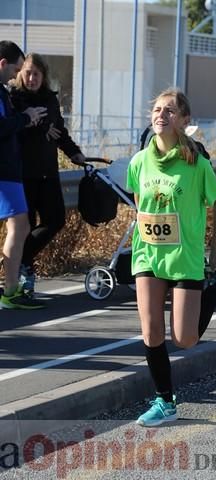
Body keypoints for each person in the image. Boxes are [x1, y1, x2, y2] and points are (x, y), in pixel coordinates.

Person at [127, 88, 216, 427]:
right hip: (149, 256)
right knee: (151, 331)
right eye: (157, 109)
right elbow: (140, 202)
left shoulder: (195, 163)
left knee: (184, 339)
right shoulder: (139, 161)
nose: (161, 115)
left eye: (169, 110)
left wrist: (215, 250)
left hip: (184, 257)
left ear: (184, 120)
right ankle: (165, 401)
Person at [10, 53, 86, 295]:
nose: (31, 78)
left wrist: (75, 153)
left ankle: (18, 258)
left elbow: (60, 132)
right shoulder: (14, 98)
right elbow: (15, 131)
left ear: (43, 77)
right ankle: (24, 276)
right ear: (20, 73)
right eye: (28, 73)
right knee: (27, 225)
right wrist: (42, 127)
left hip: (48, 172)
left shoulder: (50, 100)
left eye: (36, 74)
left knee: (56, 220)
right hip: (23, 174)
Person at [0, 41, 48, 309]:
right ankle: (9, 291)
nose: (16, 76)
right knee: (20, 227)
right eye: (16, 70)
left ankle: (10, 288)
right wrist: (25, 118)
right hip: (4, 172)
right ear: (3, 64)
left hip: (9, 170)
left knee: (19, 227)